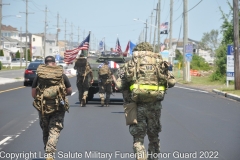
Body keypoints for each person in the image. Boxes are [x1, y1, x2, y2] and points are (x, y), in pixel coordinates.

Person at [115, 42, 175, 160]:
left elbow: (119, 85)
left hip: (137, 107)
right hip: (155, 106)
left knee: (138, 139)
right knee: (154, 137)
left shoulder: (130, 64)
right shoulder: (159, 63)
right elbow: (172, 82)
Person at [32, 56, 72, 160]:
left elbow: (33, 94)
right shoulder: (60, 74)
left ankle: (47, 151)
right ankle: (50, 153)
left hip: (43, 107)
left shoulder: (39, 75)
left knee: (45, 129)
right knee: (55, 129)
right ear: (54, 63)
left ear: (45, 63)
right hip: (58, 107)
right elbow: (69, 91)